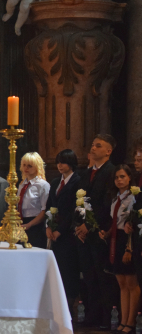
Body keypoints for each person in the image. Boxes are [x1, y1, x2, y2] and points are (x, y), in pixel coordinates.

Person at [76, 134, 117, 329]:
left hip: (99, 231)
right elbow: (80, 201)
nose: (93, 148)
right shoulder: (86, 173)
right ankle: (91, 316)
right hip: (84, 233)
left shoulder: (111, 172)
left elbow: (106, 204)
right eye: (92, 145)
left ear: (108, 151)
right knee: (89, 277)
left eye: (98, 146)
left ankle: (105, 318)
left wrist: (90, 225)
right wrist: (79, 225)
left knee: (102, 277)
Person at [99, 165, 139, 334]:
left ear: (130, 178)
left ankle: (131, 322)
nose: (119, 180)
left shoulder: (135, 198)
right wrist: (107, 233)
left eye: (122, 176)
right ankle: (122, 320)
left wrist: (129, 247)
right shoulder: (116, 198)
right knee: (121, 283)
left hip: (128, 240)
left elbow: (133, 222)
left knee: (131, 282)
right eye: (117, 177)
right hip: (116, 239)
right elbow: (116, 221)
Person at [45, 149, 81, 309]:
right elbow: (50, 206)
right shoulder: (55, 182)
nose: (59, 165)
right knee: (57, 266)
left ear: (71, 163)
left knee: (69, 268)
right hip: (54, 231)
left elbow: (73, 210)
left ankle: (70, 300)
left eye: (63, 162)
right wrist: (48, 226)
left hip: (68, 233)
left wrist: (60, 230)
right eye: (58, 162)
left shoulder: (77, 181)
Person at [17, 152, 50, 248]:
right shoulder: (22, 184)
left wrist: (30, 224)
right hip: (21, 224)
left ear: (37, 167)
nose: (26, 168)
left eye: (29, 166)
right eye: (24, 165)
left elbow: (45, 210)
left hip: (35, 226)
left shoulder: (43, 185)